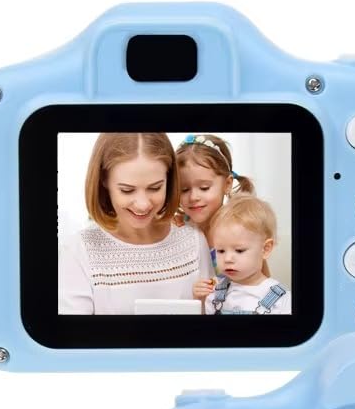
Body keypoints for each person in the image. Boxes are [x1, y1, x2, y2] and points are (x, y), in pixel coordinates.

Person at [58, 132, 213, 314]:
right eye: (127, 190)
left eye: (155, 188)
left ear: (169, 179)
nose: (142, 204)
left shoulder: (193, 240)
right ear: (104, 181)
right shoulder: (79, 251)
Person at [175, 134, 255, 302]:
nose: (193, 197)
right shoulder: (179, 228)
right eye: (184, 189)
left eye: (204, 188)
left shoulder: (242, 228)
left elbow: (262, 286)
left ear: (227, 184)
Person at [204, 196, 291, 315]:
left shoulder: (281, 299)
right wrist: (200, 300)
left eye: (239, 251)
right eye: (221, 251)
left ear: (265, 249)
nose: (228, 259)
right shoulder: (215, 292)